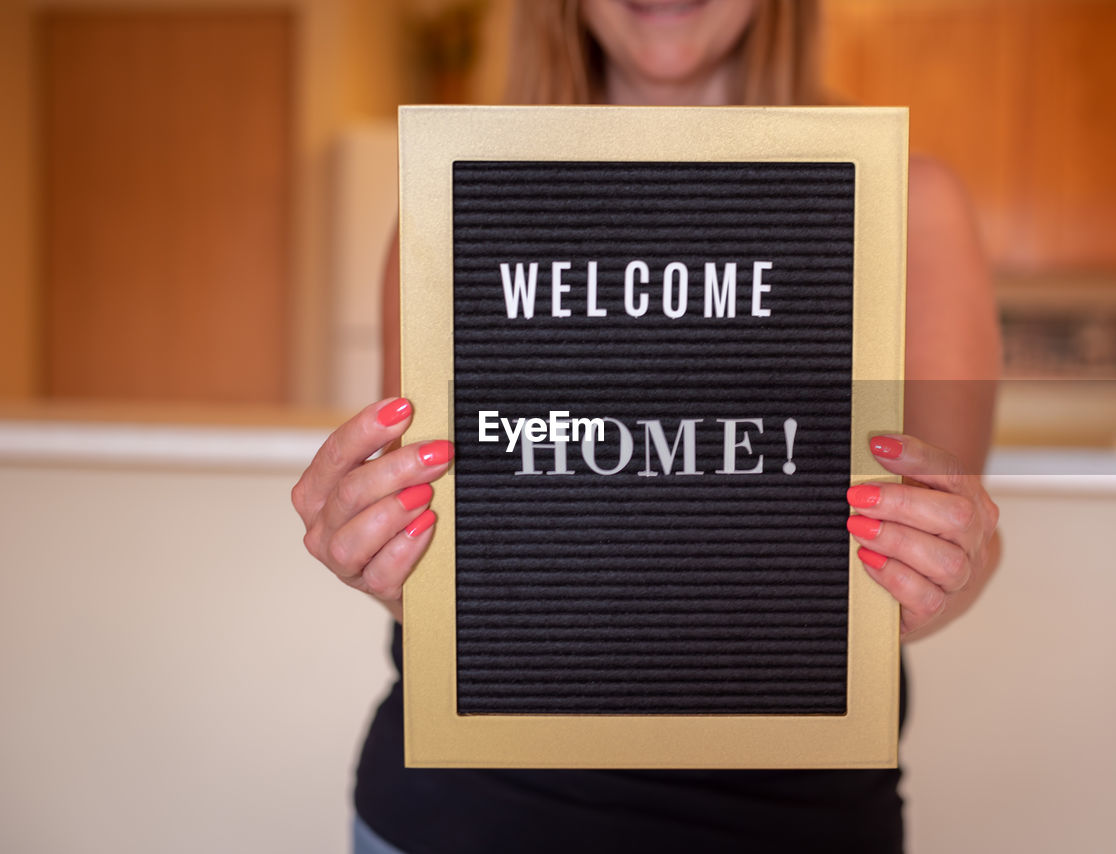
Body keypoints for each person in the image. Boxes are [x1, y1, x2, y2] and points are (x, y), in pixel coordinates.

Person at [290, 1, 1002, 851]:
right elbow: (440, 550)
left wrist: (946, 560)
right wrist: (387, 557)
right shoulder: (458, 196)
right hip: (470, 815)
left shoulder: (906, 203)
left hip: (792, 821)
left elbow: (964, 534)